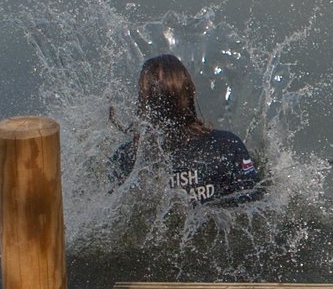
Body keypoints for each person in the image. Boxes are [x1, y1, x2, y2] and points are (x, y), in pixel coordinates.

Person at [110, 53, 265, 207]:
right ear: (189, 93)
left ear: (144, 102)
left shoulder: (126, 158)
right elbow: (256, 206)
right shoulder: (226, 146)